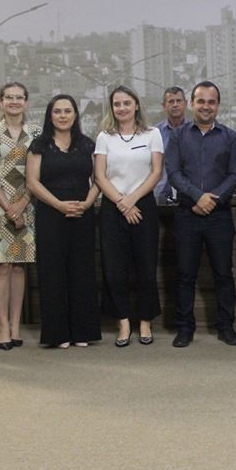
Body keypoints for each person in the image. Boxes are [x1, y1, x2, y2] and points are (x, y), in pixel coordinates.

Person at [166, 81, 236, 348]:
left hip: (219, 216)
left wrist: (213, 198)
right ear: (192, 103)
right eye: (201, 101)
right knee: (185, 274)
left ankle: (226, 327)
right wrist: (197, 197)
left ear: (218, 106)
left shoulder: (230, 137)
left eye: (211, 102)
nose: (206, 106)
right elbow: (174, 173)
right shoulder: (178, 136)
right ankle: (185, 328)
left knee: (224, 274)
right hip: (187, 214)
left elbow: (235, 175)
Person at [26, 94, 101, 349]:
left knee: (83, 272)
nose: (62, 115)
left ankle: (83, 331)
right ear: (50, 115)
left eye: (67, 111)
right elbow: (32, 182)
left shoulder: (87, 145)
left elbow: (99, 179)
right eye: (57, 111)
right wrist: (58, 204)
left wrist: (88, 203)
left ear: (75, 115)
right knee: (52, 273)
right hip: (50, 214)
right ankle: (57, 334)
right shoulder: (39, 145)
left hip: (82, 214)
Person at [0, 82, 41, 350]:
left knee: (19, 267)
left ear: (26, 102)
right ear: (0, 102)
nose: (14, 102)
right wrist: (10, 208)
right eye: (9, 97)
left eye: (19, 97)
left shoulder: (36, 133)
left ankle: (16, 324)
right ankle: (2, 326)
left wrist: (23, 203)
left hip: (28, 204)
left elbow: (39, 173)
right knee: (1, 267)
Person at [94, 86, 163, 348]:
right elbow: (99, 175)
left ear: (136, 105)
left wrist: (132, 200)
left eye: (126, 103)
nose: (121, 108)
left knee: (145, 266)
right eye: (117, 104)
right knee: (115, 268)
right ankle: (123, 322)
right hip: (113, 206)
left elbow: (156, 172)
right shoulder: (104, 137)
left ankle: (145, 320)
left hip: (143, 204)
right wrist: (122, 202)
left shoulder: (152, 134)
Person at [154, 86, 190, 204]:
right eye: (171, 101)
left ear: (185, 103)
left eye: (178, 101)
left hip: (189, 195)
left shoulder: (195, 131)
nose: (175, 105)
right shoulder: (155, 133)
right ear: (164, 105)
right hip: (160, 195)